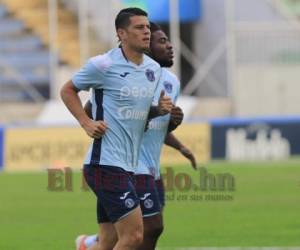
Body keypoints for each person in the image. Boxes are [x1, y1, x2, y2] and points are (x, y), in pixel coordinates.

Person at [76, 22, 196, 250]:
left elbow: (156, 128)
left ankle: (88, 245)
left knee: (112, 236)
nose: (170, 46)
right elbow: (94, 108)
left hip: (150, 167)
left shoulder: (171, 82)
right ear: (145, 46)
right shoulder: (125, 76)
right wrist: (93, 124)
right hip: (127, 165)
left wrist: (173, 129)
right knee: (149, 228)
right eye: (162, 41)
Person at [61, 8, 173, 250]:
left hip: (128, 166)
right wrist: (86, 122)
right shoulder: (103, 64)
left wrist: (158, 110)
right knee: (133, 236)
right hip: (105, 165)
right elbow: (67, 90)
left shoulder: (152, 70)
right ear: (121, 33)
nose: (146, 32)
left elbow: (137, 117)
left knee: (109, 240)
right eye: (139, 28)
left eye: (147, 27)